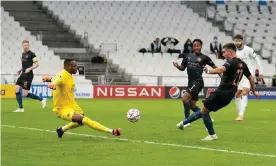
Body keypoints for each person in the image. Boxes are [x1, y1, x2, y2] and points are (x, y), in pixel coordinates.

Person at [176, 43, 260, 140]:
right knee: (204, 110)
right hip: (230, 95)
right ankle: (183, 123)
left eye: (224, 52)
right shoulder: (243, 65)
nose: (223, 54)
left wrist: (209, 71)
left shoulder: (231, 62)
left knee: (204, 111)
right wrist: (253, 91)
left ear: (230, 52)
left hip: (222, 92)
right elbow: (251, 79)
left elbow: (221, 69)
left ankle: (212, 135)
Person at [42, 59, 121, 138]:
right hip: (63, 108)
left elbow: (56, 79)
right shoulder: (62, 75)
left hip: (72, 104)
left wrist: (49, 79)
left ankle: (61, 130)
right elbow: (57, 79)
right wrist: (52, 84)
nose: (77, 67)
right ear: (69, 67)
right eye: (75, 66)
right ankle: (112, 131)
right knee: (84, 120)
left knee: (81, 120)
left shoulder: (68, 75)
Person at [173, 39, 219, 127]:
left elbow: (215, 67)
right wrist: (177, 66)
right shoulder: (187, 56)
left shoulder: (204, 57)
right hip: (190, 82)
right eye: (195, 45)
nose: (196, 47)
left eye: (198, 45)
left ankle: (186, 121)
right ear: (192, 47)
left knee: (185, 98)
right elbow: (183, 68)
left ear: (201, 46)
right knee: (191, 105)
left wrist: (222, 74)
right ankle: (206, 117)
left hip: (198, 82)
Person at [234, 34, 263, 121]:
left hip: (248, 73)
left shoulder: (248, 49)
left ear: (242, 41)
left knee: (245, 91)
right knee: (237, 94)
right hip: (239, 75)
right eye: (236, 40)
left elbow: (257, 59)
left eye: (239, 40)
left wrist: (261, 71)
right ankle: (239, 113)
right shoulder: (234, 51)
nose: (237, 42)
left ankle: (241, 115)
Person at [13, 40, 47, 112]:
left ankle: (41, 99)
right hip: (23, 74)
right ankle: (21, 108)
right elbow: (24, 65)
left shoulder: (32, 54)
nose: (25, 46)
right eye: (24, 45)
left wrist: (29, 68)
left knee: (25, 94)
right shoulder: (22, 54)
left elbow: (37, 64)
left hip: (28, 75)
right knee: (16, 89)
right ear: (22, 46)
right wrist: (20, 70)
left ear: (28, 46)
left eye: (27, 45)